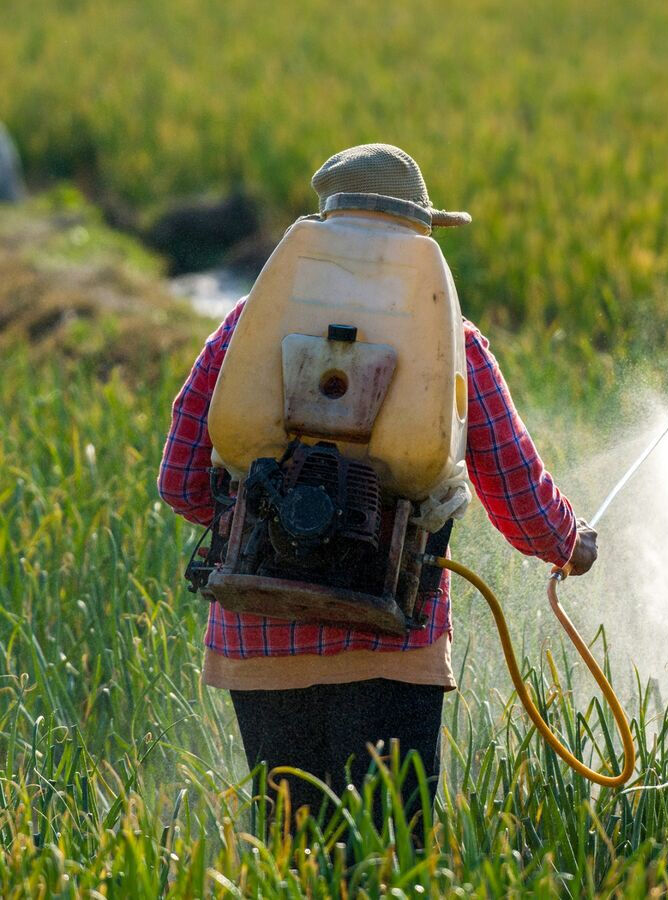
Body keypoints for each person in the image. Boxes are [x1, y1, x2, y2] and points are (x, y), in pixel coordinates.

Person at [158, 144, 598, 831]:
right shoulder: (452, 341)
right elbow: (516, 490)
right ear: (419, 236)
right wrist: (569, 545)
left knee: (293, 855)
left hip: (258, 640)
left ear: (326, 227)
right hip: (392, 642)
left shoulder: (247, 327)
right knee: (390, 854)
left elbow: (181, 481)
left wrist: (268, 505)